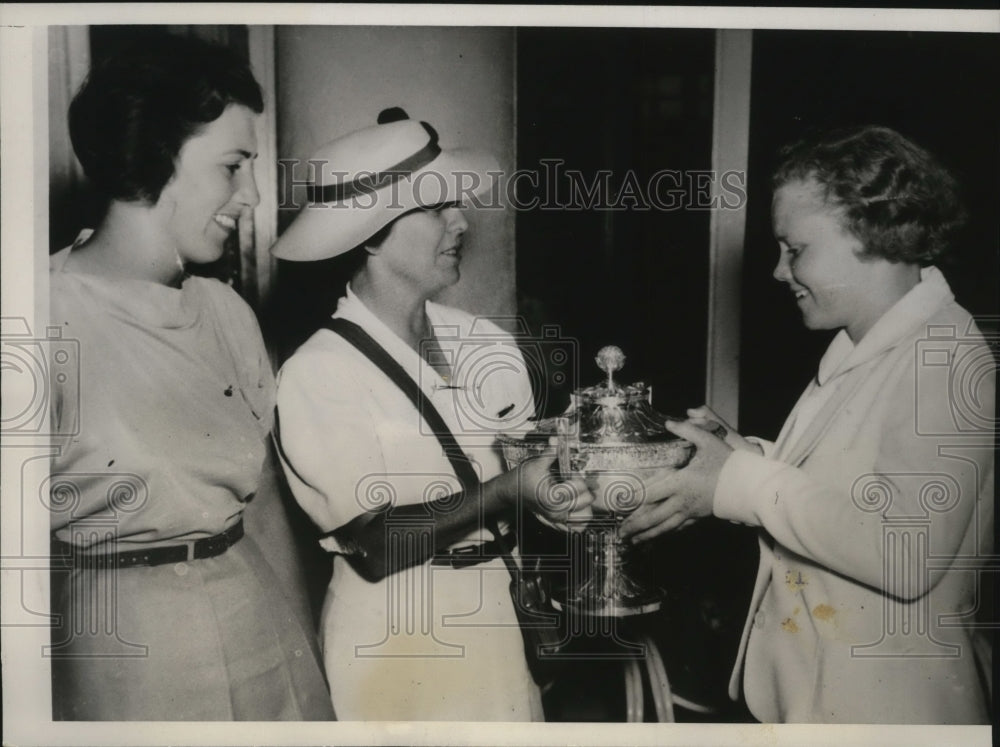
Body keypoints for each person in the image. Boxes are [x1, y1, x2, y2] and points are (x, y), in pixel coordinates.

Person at [620, 125, 994, 723]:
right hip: (824, 698)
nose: (777, 270)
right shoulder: (867, 346)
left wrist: (738, 480)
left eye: (795, 250)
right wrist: (740, 454)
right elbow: (849, 488)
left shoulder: (946, 357)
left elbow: (904, 550)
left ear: (875, 235)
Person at [48, 34, 335, 720]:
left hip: (257, 619)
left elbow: (264, 508)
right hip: (122, 653)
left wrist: (310, 671)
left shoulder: (226, 311)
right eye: (233, 166)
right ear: (152, 156)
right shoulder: (39, 315)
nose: (252, 194)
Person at [271, 109, 593, 720]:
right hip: (399, 642)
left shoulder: (486, 342)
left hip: (504, 615)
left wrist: (565, 498)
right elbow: (376, 543)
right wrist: (511, 489)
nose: (461, 222)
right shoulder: (319, 373)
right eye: (436, 207)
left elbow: (527, 482)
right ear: (368, 234)